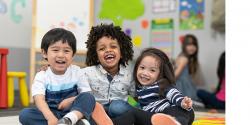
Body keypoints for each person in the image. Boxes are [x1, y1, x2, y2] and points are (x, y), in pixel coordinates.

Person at [19, 28, 113, 125]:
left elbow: (86, 94)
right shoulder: (42, 75)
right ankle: (69, 123)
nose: (61, 55)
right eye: (55, 50)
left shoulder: (77, 72)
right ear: (44, 53)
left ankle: (70, 120)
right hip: (52, 113)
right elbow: (39, 99)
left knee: (89, 98)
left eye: (66, 51)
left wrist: (70, 100)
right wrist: (50, 118)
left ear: (73, 55)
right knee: (25, 114)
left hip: (74, 111)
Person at [82, 23, 135, 118]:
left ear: (121, 52)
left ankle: (138, 115)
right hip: (97, 113)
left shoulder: (129, 76)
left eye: (113, 47)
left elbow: (138, 96)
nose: (108, 50)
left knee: (116, 107)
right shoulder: (87, 73)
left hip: (119, 114)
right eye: (102, 48)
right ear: (96, 56)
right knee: (92, 108)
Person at [132, 47, 195, 125]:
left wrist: (182, 102)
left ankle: (177, 122)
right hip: (153, 116)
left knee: (176, 111)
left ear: (160, 74)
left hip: (174, 111)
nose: (145, 73)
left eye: (152, 70)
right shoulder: (138, 87)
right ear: (136, 68)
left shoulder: (162, 85)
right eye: (142, 68)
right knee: (132, 113)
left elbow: (173, 94)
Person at [174, 34, 201, 101]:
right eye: (189, 45)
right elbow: (175, 75)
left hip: (185, 85)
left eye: (194, 45)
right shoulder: (184, 59)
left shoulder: (183, 56)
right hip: (182, 88)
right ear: (184, 46)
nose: (192, 47)